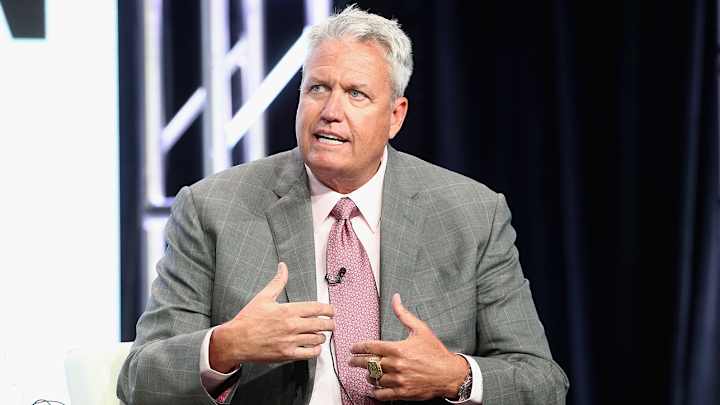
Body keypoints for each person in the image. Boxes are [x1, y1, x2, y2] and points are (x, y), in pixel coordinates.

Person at [117, 5, 568, 405]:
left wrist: (454, 376)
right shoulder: (212, 208)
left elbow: (543, 384)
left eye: (356, 94)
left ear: (395, 116)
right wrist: (226, 346)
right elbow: (139, 381)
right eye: (317, 88)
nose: (331, 110)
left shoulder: (473, 214)